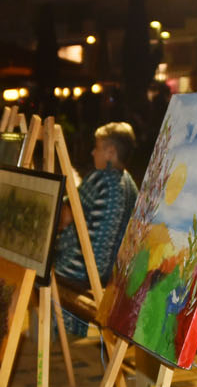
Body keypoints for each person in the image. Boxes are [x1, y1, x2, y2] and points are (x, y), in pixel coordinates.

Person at [54, 121, 139, 335]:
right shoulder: (130, 185)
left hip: (81, 271)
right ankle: (72, 334)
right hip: (110, 276)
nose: (93, 152)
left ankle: (58, 335)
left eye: (97, 147)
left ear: (111, 152)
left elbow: (65, 216)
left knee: (38, 272)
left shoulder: (101, 179)